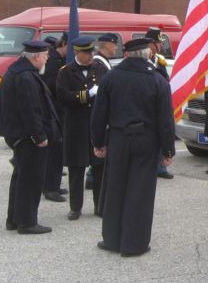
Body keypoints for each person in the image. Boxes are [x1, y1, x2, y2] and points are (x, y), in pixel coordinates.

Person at [91, 37, 176, 257]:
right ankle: (134, 243)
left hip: (118, 137)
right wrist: (168, 150)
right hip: (146, 140)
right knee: (140, 191)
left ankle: (112, 239)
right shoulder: (157, 80)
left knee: (115, 188)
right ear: (148, 54)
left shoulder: (111, 78)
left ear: (127, 54)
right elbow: (165, 120)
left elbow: (99, 114)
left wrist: (98, 142)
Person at [0, 39, 61, 234]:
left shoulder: (19, 71)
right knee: (31, 179)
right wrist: (39, 136)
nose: (47, 59)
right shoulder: (25, 77)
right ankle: (27, 222)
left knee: (21, 176)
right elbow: (30, 110)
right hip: (26, 136)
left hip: (18, 134)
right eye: (46, 56)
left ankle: (14, 219)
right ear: (36, 56)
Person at [56, 36, 107, 220]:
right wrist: (87, 94)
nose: (91, 55)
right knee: (76, 168)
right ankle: (75, 207)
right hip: (76, 125)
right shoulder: (66, 72)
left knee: (99, 167)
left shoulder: (99, 68)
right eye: (87, 52)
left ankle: (100, 206)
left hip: (95, 124)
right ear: (77, 52)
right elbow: (63, 97)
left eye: (91, 51)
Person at [40, 33, 68, 202]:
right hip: (53, 111)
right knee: (54, 151)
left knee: (58, 151)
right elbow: (49, 84)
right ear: (63, 44)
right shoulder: (53, 61)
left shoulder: (60, 60)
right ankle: (50, 188)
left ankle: (54, 184)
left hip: (60, 111)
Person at [146, 27, 174, 179]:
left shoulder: (159, 61)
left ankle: (161, 166)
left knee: (161, 133)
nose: (161, 45)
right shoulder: (143, 58)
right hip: (147, 104)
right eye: (158, 43)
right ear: (151, 43)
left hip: (159, 102)